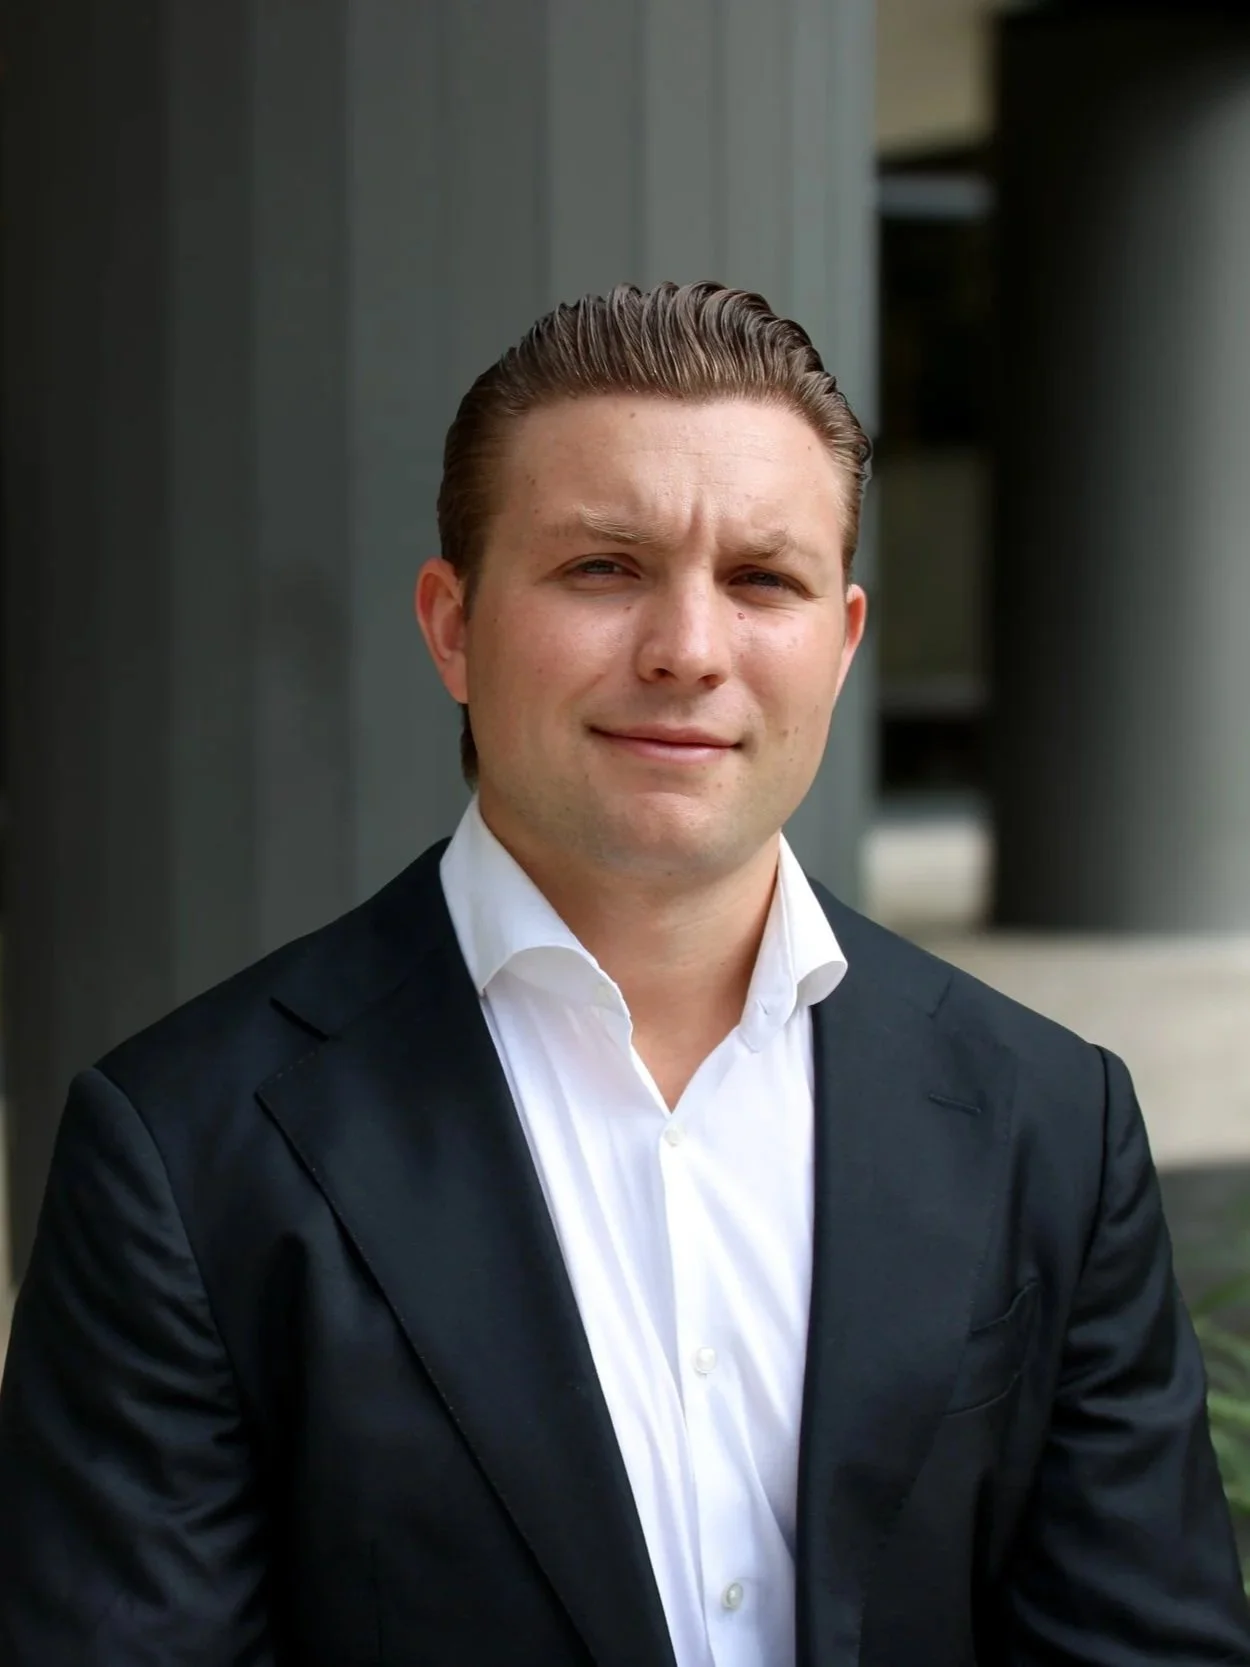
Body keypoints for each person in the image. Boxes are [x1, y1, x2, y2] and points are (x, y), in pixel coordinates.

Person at [0, 281, 1246, 1667]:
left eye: (760, 579)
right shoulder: (181, 1152)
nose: (687, 649)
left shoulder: (1047, 1119)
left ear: (838, 645)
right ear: (452, 626)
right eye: (602, 566)